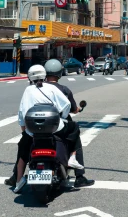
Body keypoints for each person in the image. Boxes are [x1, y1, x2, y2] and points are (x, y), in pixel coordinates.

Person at [5, 64, 82, 193]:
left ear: (30, 77)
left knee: (22, 150)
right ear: (44, 76)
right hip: (54, 128)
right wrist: (62, 117)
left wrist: (24, 131)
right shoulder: (51, 88)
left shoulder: (28, 90)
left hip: (32, 131)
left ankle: (18, 181)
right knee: (74, 128)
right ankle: (72, 158)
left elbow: (21, 113)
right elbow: (66, 105)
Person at [44, 59, 95, 187]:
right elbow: (73, 109)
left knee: (24, 142)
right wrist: (79, 109)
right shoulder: (63, 90)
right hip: (58, 124)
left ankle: (16, 175)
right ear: (59, 73)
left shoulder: (37, 87)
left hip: (38, 123)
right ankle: (79, 176)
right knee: (75, 134)